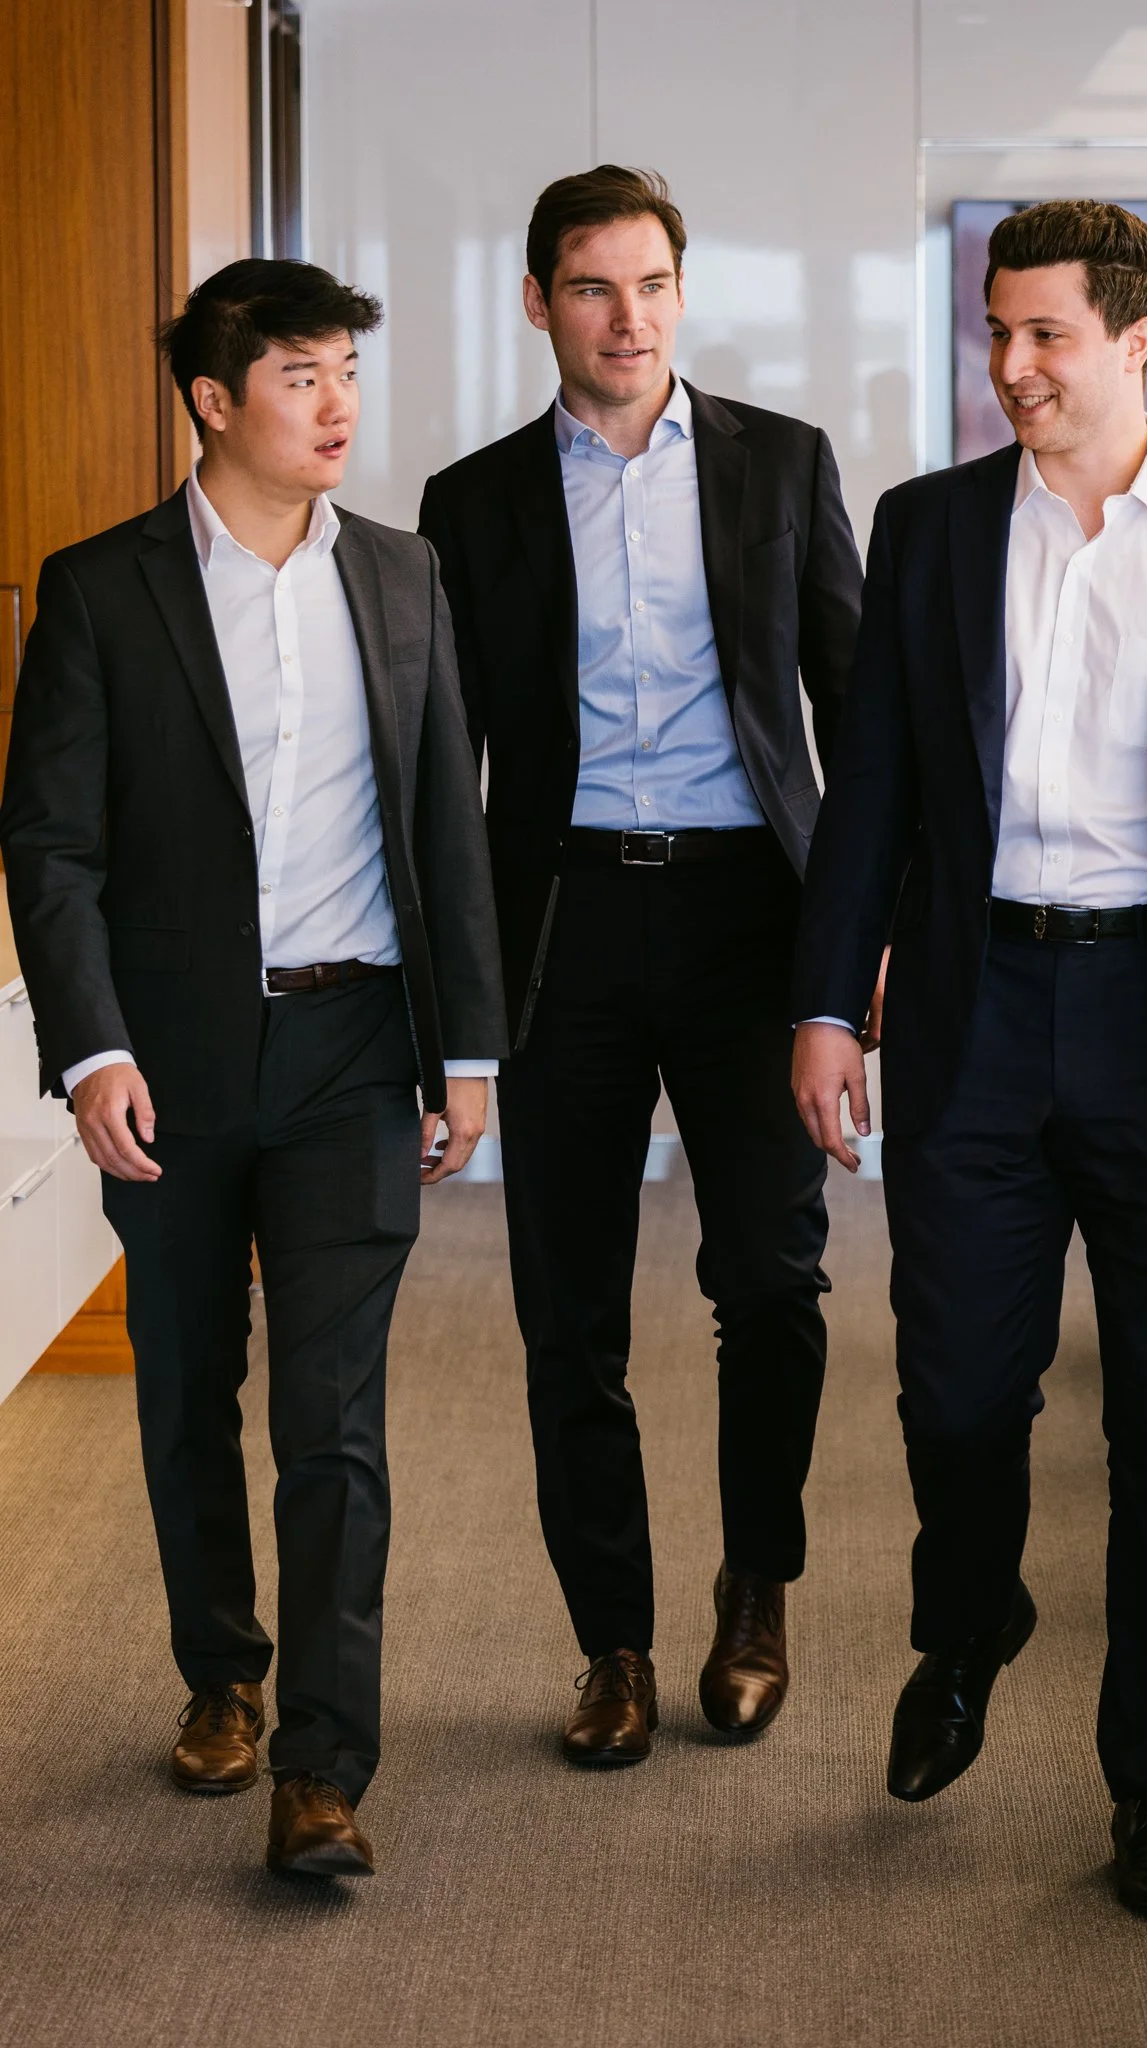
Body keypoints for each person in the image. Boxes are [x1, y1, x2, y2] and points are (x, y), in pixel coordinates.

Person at [791, 200, 1147, 1915]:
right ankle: (967, 1627)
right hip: (974, 1014)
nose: (1008, 366)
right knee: (958, 1394)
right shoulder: (930, 529)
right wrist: (825, 1003)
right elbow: (872, 788)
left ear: (1134, 339)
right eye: (995, 330)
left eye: (1042, 334)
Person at [0, 259, 507, 1879]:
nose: (338, 403)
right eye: (301, 374)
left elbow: (449, 823)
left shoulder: (407, 575)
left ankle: (323, 1762)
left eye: (347, 369)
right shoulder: (101, 588)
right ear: (215, 401)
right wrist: (87, 1048)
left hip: (358, 1044)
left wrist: (468, 1049)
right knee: (184, 1389)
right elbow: (54, 842)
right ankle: (221, 1672)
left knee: (334, 1416)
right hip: (174, 1058)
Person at [419, 166, 862, 1765]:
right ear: (537, 299)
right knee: (568, 1315)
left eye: (653, 283)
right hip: (565, 929)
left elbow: (856, 726)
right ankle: (609, 1639)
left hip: (751, 919)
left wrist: (854, 956)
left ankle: (757, 1588)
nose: (629, 318)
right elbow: (440, 768)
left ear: (685, 289)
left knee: (774, 1281)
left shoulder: (780, 466)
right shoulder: (469, 505)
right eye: (594, 288)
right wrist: (449, 1009)